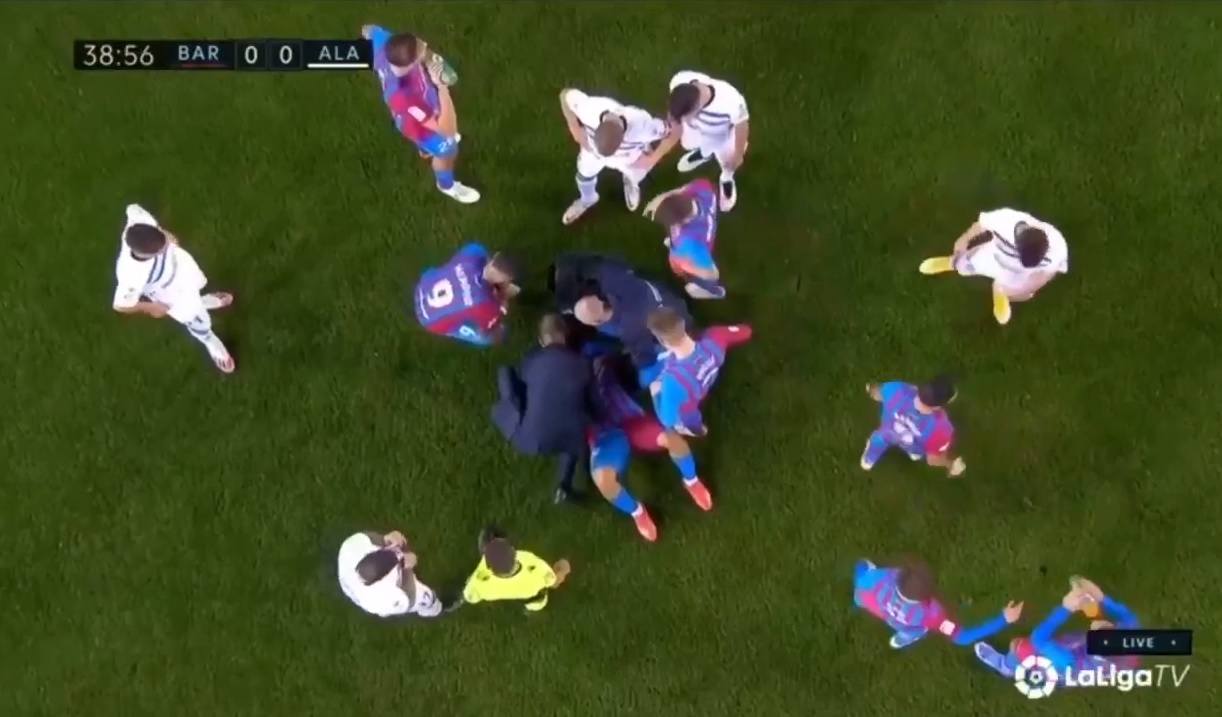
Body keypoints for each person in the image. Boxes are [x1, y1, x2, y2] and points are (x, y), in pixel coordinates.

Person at [642, 308, 753, 511]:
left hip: (688, 408)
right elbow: (745, 331)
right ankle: (698, 430)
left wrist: (657, 389)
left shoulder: (671, 381)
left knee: (652, 384)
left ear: (663, 341)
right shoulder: (714, 337)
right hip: (704, 383)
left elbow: (667, 419)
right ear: (683, 324)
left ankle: (691, 478)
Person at [362, 24, 480, 204]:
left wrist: (369, 32)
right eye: (419, 48)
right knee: (448, 150)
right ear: (411, 63)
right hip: (420, 126)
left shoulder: (386, 45)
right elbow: (445, 129)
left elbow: (369, 29)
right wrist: (442, 88)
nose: (424, 44)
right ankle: (446, 185)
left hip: (420, 109)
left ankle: (425, 151)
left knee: (435, 140)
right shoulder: (405, 97)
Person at [111, 204, 235, 374]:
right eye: (162, 249)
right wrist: (151, 308)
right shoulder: (131, 275)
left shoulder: (139, 221)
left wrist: (164, 233)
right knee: (195, 318)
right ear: (147, 256)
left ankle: (202, 301)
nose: (167, 245)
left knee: (196, 287)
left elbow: (132, 208)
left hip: (182, 267)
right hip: (171, 293)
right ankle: (211, 342)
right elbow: (120, 305)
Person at [491, 314, 596, 503]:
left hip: (526, 438)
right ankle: (565, 484)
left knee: (509, 376)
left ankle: (567, 485)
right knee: (572, 432)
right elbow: (592, 401)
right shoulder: (582, 364)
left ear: (541, 340)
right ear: (565, 334)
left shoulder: (530, 360)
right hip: (568, 433)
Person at [918, 208, 1069, 325]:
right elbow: (981, 225)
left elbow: (1046, 274)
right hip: (993, 257)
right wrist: (964, 239)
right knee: (964, 265)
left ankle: (1000, 294)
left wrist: (1027, 288)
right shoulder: (1006, 219)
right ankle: (951, 263)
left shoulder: (1058, 248)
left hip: (1019, 274)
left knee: (1009, 289)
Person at [974, 577, 1140, 680]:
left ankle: (1007, 666)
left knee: (1020, 646)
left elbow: (1038, 638)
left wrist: (1065, 608)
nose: (1094, 623)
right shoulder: (1130, 632)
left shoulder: (1072, 664)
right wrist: (1101, 597)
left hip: (1064, 666)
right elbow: (1126, 614)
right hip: (1111, 661)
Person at [853, 557, 1024, 649]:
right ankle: (906, 638)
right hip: (909, 623)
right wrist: (1003, 619)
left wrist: (862, 568)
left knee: (861, 592)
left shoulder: (885, 577)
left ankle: (858, 602)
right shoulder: (932, 615)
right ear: (928, 596)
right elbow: (962, 637)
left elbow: (862, 575)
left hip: (880, 608)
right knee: (913, 630)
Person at [558, 88, 671, 224]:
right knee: (584, 176)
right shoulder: (590, 109)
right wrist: (574, 127)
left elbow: (672, 132)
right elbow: (565, 95)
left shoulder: (642, 126)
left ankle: (630, 181)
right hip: (593, 153)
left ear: (623, 138)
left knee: (635, 175)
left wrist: (653, 158)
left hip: (630, 159)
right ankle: (588, 199)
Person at [587, 354, 665, 542]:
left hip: (626, 415)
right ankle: (638, 512)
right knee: (605, 483)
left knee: (669, 439)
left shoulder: (595, 357)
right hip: (604, 434)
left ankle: (692, 480)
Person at [571, 263, 693, 373]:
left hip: (682, 328)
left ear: (597, 322)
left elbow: (645, 359)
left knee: (644, 375)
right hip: (673, 301)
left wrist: (636, 360)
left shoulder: (628, 330)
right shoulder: (618, 281)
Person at [667, 70, 750, 211]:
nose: (684, 120)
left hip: (723, 134)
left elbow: (742, 125)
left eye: (687, 116)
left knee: (729, 162)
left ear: (697, 107)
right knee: (689, 143)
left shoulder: (730, 100)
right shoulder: (679, 80)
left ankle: (727, 177)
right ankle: (704, 154)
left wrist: (738, 155)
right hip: (699, 130)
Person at [413, 243, 518, 346]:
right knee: (492, 335)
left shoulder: (473, 254)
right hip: (429, 320)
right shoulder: (487, 306)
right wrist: (502, 301)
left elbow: (482, 253)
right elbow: (486, 330)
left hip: (422, 288)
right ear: (505, 280)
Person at [447, 526, 571, 613]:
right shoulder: (531, 563)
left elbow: (470, 595)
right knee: (537, 603)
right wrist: (563, 568)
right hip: (533, 599)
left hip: (502, 589)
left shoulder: (479, 581)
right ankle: (529, 610)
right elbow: (552, 581)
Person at [862, 376, 966, 477]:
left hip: (887, 432)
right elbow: (932, 459)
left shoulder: (897, 389)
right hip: (912, 444)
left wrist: (871, 388)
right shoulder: (942, 429)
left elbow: (877, 393)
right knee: (917, 451)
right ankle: (912, 452)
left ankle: (868, 461)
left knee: (878, 440)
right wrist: (950, 464)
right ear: (938, 406)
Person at [642, 177, 724, 299]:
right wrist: (660, 199)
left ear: (683, 221)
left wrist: (676, 256)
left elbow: (677, 262)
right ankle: (708, 285)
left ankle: (710, 289)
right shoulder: (704, 189)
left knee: (687, 269)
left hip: (697, 251)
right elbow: (681, 190)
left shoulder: (687, 241)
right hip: (697, 243)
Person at [336, 529, 442, 618]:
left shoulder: (353, 545)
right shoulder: (384, 598)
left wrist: (386, 538)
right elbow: (408, 597)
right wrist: (407, 569)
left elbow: (371, 537)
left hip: (349, 581)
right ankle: (433, 609)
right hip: (378, 601)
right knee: (427, 598)